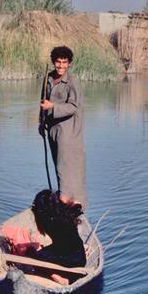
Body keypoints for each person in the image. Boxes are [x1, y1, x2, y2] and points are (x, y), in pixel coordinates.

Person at [39, 46, 87, 207]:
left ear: (69, 63)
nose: (61, 66)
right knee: (58, 166)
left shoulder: (73, 82)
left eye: (64, 62)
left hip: (68, 133)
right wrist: (41, 122)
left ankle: (73, 204)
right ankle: (64, 200)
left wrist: (53, 106)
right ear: (53, 62)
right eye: (58, 62)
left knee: (66, 168)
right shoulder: (48, 78)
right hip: (52, 130)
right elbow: (43, 103)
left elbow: (74, 106)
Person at [29, 189, 87, 272]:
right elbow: (78, 206)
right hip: (81, 258)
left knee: (36, 257)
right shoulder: (66, 212)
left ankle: (56, 277)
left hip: (68, 260)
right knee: (46, 252)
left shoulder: (47, 222)